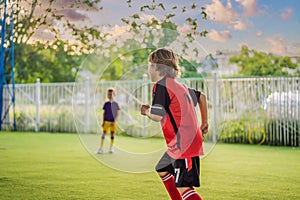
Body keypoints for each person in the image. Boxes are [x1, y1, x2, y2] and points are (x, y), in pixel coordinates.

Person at [141, 48, 208, 200]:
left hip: (183, 144)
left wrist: (146, 111)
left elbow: (157, 116)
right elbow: (202, 97)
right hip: (182, 143)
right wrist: (205, 122)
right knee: (162, 168)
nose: (148, 69)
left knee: (184, 187)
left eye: (149, 65)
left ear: (157, 67)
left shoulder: (161, 86)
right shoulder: (179, 86)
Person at [97, 88, 120, 154]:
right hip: (106, 121)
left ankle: (111, 148)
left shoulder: (116, 104)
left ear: (114, 94)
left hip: (113, 122)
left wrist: (114, 121)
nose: (110, 95)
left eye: (111, 94)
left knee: (112, 135)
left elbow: (117, 113)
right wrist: (103, 121)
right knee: (103, 134)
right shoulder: (106, 104)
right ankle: (100, 148)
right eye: (109, 94)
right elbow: (104, 113)